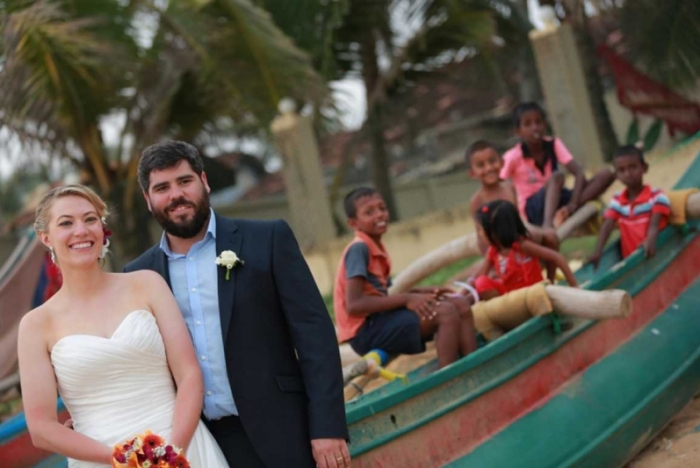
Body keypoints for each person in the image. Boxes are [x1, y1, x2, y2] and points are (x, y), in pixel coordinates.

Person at [123, 141, 349, 468]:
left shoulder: (267, 239)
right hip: (203, 446)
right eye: (162, 188)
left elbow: (315, 336)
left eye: (185, 181)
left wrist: (328, 426)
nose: (176, 195)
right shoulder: (137, 276)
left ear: (204, 181)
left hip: (286, 430)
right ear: (148, 199)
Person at [17, 184, 228, 467]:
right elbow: (41, 428)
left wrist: (169, 454)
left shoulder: (147, 284)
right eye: (66, 223)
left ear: (101, 228)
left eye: (90, 219)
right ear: (46, 237)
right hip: (101, 460)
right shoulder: (36, 325)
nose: (81, 230)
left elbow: (189, 374)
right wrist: (123, 458)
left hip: (184, 448)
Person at [333, 187, 478, 369]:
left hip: (378, 321)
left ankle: (474, 365)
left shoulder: (375, 248)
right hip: (364, 332)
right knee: (445, 313)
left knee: (459, 303)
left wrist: (422, 292)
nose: (379, 215)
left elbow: (382, 295)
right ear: (354, 224)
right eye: (369, 212)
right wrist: (408, 299)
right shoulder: (359, 249)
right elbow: (354, 305)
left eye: (382, 208)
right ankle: (450, 376)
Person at [500, 102, 615, 228]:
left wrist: (573, 203)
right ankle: (548, 225)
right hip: (534, 208)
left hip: (558, 198)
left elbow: (578, 173)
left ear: (544, 125)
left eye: (538, 122)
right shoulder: (513, 155)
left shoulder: (553, 144)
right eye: (528, 124)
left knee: (606, 174)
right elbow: (500, 182)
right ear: (518, 131)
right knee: (557, 177)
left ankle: (567, 211)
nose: (534, 128)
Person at [472, 200, 578, 301]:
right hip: (511, 297)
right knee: (481, 282)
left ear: (494, 231)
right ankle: (503, 309)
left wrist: (575, 287)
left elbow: (558, 258)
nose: (480, 234)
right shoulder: (493, 251)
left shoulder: (522, 246)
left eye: (480, 229)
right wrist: (463, 293)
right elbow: (477, 276)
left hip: (531, 294)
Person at [587, 145, 670, 268]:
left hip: (655, 255)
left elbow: (654, 224)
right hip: (631, 263)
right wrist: (597, 252)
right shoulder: (617, 200)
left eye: (633, 167)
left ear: (645, 168)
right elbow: (607, 225)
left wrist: (650, 239)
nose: (628, 174)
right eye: (621, 170)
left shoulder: (656, 196)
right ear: (616, 175)